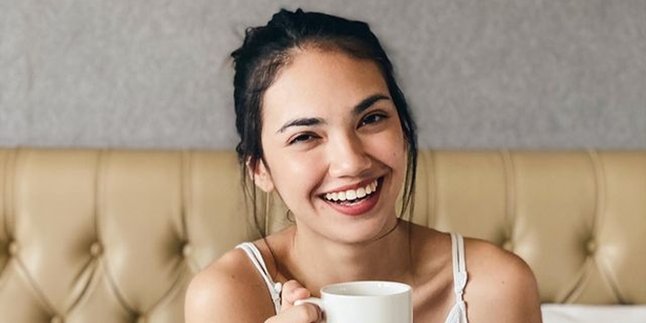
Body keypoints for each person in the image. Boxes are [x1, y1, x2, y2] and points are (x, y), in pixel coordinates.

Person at [185, 8, 542, 323]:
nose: (351, 162)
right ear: (259, 169)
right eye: (305, 136)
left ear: (403, 129)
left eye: (371, 119)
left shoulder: (495, 286)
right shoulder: (227, 295)